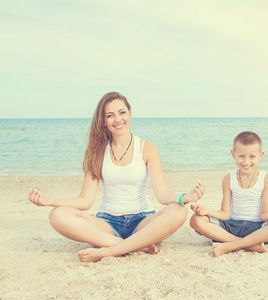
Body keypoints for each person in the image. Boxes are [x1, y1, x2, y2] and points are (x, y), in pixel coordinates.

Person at [28, 92, 204, 263]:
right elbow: (85, 201)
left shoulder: (147, 148)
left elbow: (162, 194)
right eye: (110, 115)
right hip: (107, 224)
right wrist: (51, 201)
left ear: (130, 113)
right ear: (104, 121)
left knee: (180, 210)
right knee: (57, 215)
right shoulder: (96, 152)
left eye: (122, 112)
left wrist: (185, 197)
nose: (118, 119)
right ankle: (133, 246)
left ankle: (112, 250)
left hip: (142, 222)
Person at [190, 131, 268, 257]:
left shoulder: (266, 179)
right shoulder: (228, 179)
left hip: (257, 228)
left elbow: (264, 215)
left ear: (260, 155)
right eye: (241, 156)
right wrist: (207, 211)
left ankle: (231, 245)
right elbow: (225, 214)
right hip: (231, 226)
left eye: (252, 156)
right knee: (196, 220)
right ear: (233, 154)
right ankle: (249, 244)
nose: (246, 162)